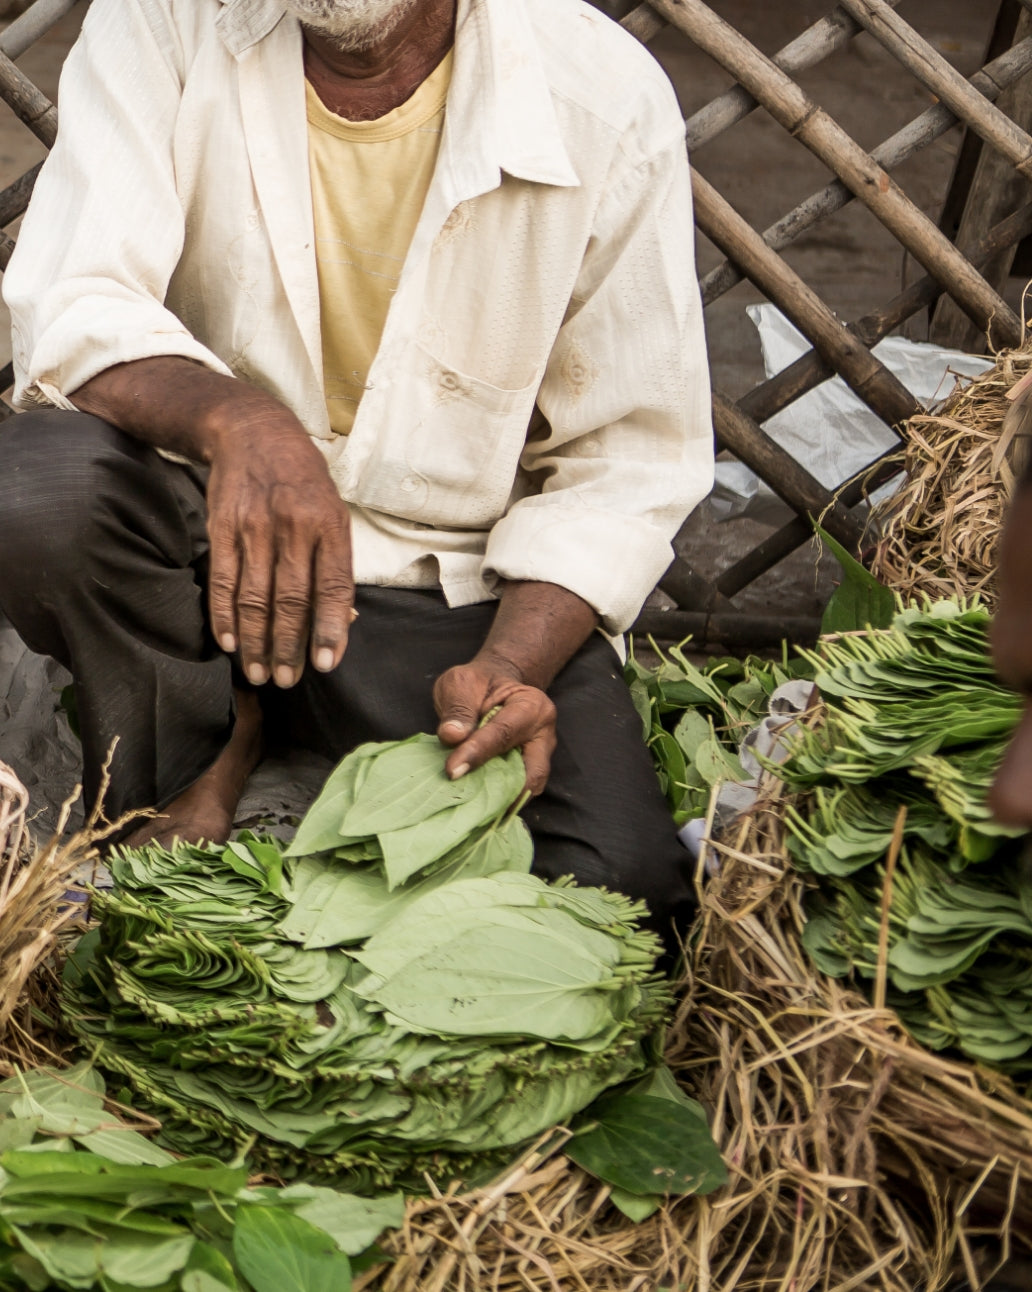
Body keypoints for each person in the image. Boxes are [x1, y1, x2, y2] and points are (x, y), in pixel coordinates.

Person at [0, 0, 714, 936]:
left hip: (445, 593)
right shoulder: (165, 17)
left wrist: (506, 666)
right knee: (37, 486)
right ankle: (187, 760)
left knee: (620, 899)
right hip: (203, 541)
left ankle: (262, 727)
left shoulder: (601, 93)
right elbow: (72, 293)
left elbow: (626, 457)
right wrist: (244, 422)